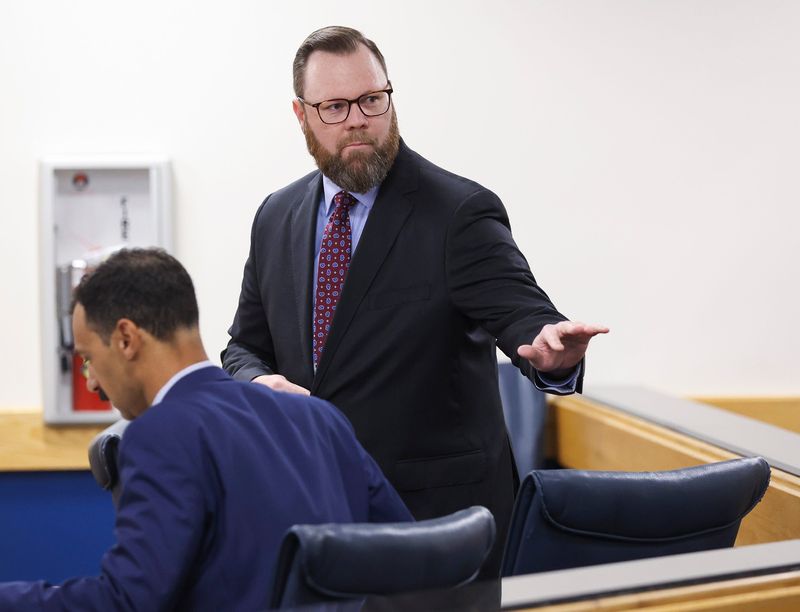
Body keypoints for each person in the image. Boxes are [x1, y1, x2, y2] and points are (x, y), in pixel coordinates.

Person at [222, 26, 608, 576]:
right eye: (334, 106)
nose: (358, 118)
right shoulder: (275, 217)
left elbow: (524, 313)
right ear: (301, 114)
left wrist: (553, 352)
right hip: (312, 521)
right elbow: (243, 347)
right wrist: (257, 384)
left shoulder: (458, 212)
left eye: (372, 100)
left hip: (436, 531)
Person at [0, 248, 411, 611]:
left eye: (88, 357)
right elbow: (407, 554)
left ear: (126, 338)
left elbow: (127, 601)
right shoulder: (319, 418)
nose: (91, 381)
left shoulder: (157, 434)